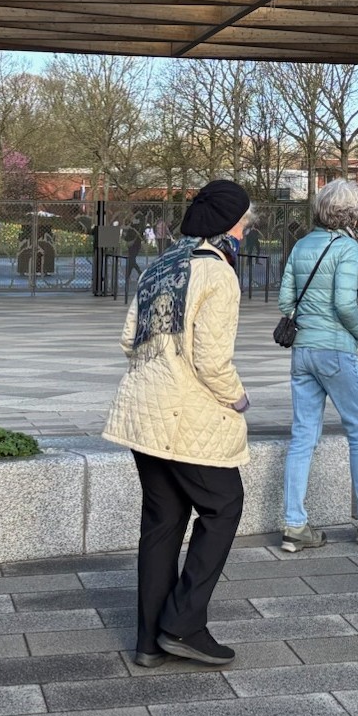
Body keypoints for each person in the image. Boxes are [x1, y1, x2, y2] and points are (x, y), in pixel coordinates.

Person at [105, 179, 254, 667]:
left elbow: (128, 339)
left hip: (142, 411)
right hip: (183, 414)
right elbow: (210, 359)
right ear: (229, 225)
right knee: (224, 504)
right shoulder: (218, 274)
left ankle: (149, 641)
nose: (246, 229)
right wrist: (237, 397)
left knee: (163, 521)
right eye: (244, 221)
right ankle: (183, 623)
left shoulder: (161, 265)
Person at [277, 179, 358, 554]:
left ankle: (294, 524)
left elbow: (286, 300)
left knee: (303, 435)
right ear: (350, 213)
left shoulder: (302, 245)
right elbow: (344, 304)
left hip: (302, 349)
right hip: (335, 349)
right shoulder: (347, 248)